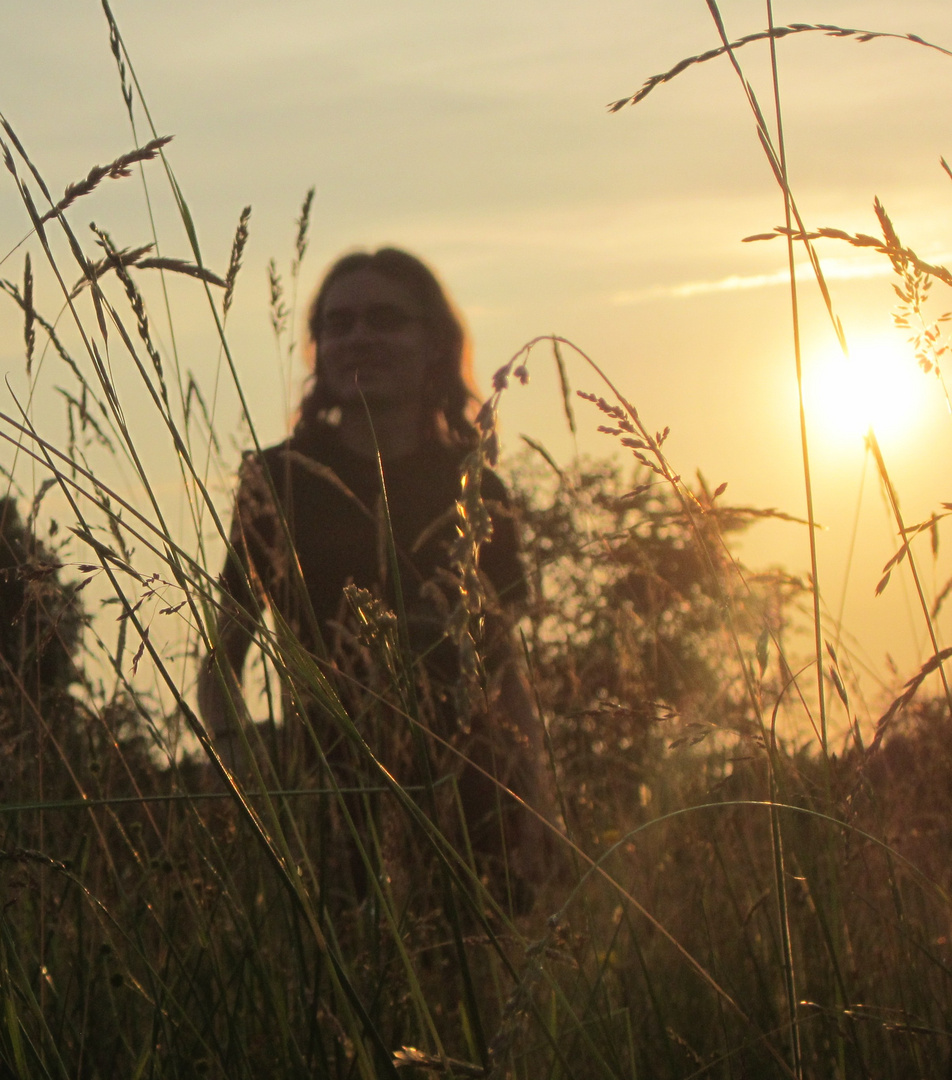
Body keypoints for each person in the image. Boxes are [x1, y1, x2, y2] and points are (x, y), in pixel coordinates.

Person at [197, 247, 549, 904]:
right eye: (340, 322)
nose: (360, 336)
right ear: (319, 348)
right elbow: (223, 656)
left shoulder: (479, 484)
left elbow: (508, 676)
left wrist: (538, 804)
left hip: (475, 811)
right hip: (328, 812)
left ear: (434, 345)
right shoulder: (277, 481)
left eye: (386, 319)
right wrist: (243, 771)